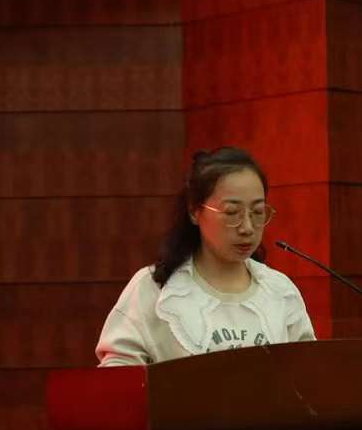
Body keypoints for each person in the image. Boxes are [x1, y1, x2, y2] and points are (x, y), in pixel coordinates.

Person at [95, 147, 316, 367]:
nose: (247, 228)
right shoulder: (154, 288)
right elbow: (117, 373)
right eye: (232, 213)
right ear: (194, 211)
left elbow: (309, 370)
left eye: (257, 212)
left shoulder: (280, 291)